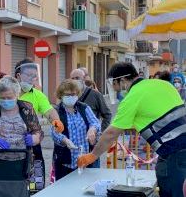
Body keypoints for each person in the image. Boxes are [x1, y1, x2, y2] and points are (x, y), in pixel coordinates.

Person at [77, 62, 186, 197]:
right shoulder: (164, 84)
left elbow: (111, 134)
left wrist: (93, 155)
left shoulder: (132, 98)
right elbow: (157, 113)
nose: (116, 90)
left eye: (115, 85)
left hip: (173, 156)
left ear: (123, 80)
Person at [0, 58, 64, 133]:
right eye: (29, 75)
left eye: (34, 76)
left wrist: (56, 122)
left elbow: (49, 111)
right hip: (1, 137)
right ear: (18, 75)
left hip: (29, 139)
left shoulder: (38, 95)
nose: (32, 79)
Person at [51, 79, 101, 180]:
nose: (71, 97)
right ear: (61, 95)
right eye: (67, 95)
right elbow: (54, 132)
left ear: (77, 94)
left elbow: (95, 122)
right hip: (65, 163)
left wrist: (92, 129)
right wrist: (65, 140)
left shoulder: (84, 108)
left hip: (86, 160)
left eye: (73, 94)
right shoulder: (56, 111)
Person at [70, 69, 111, 168]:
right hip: (74, 143)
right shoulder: (69, 95)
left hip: (91, 142)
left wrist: (100, 132)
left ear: (84, 79)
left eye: (77, 78)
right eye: (73, 78)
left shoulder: (95, 95)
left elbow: (107, 114)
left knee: (92, 172)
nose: (75, 80)